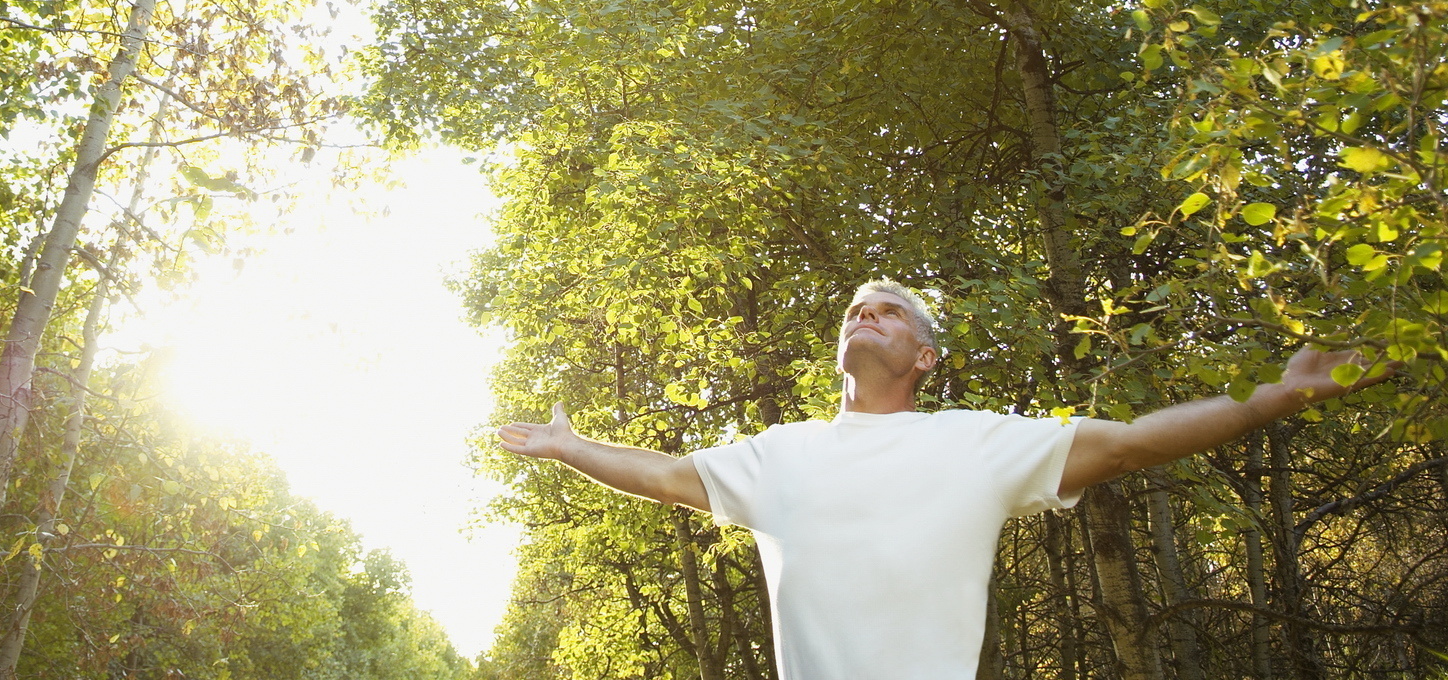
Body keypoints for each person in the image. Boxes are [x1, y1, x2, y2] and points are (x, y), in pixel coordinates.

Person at [497, 279, 1382, 680]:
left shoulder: (979, 443)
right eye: (853, 310)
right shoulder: (782, 453)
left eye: (885, 310)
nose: (862, 314)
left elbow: (1132, 443)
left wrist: (1280, 395)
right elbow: (669, 475)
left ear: (923, 355)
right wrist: (574, 447)